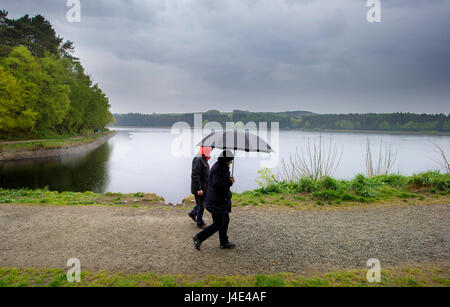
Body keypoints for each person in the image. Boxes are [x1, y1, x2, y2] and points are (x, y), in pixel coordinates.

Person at [193, 150, 236, 250]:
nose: (231, 162)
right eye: (230, 160)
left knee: (225, 220)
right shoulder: (219, 168)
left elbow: (219, 181)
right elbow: (217, 184)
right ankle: (198, 237)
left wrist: (228, 180)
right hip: (216, 201)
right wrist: (229, 182)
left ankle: (224, 242)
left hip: (220, 200)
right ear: (226, 159)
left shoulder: (221, 167)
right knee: (218, 224)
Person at [189, 147, 212, 228]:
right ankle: (200, 222)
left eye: (209, 150)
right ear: (203, 150)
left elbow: (205, 174)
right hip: (199, 188)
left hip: (204, 187)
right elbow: (195, 175)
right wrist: (199, 188)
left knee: (202, 204)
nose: (209, 152)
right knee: (202, 205)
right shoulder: (198, 160)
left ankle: (193, 213)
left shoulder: (203, 159)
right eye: (208, 150)